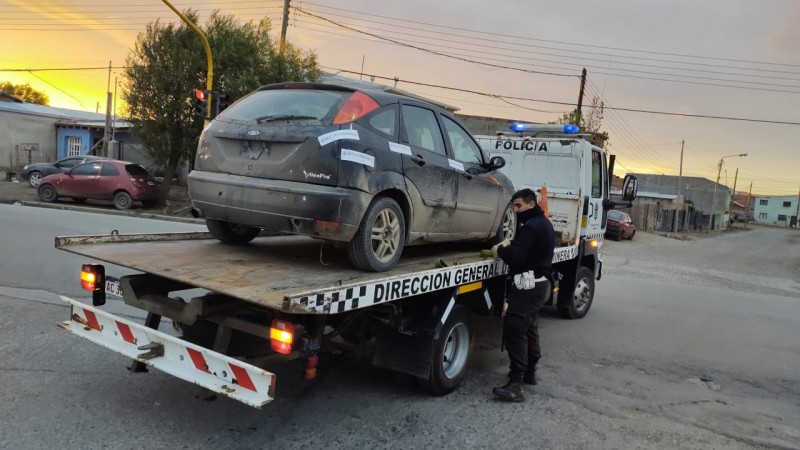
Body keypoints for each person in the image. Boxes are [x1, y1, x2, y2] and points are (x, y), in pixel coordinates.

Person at [490, 188, 555, 402]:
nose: (516, 211)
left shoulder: (531, 228)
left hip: (527, 287)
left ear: (530, 204)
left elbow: (517, 257)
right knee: (530, 328)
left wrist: (501, 250)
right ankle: (530, 372)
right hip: (538, 286)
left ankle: (516, 384)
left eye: (518, 206)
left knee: (515, 329)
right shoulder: (544, 224)